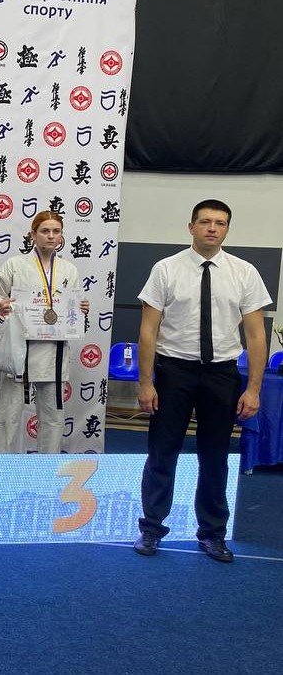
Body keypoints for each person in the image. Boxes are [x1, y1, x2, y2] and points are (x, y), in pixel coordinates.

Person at [134, 199, 270, 562]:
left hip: (221, 374)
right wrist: (145, 383)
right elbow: (148, 331)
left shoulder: (244, 272)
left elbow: (256, 335)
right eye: (206, 221)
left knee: (215, 457)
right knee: (162, 453)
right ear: (191, 227)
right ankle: (151, 529)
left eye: (220, 223)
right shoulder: (166, 269)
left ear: (227, 229)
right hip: (173, 372)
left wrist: (253, 389)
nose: (212, 228)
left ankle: (212, 534)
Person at [0, 211, 90, 453]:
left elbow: (71, 308)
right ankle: (0, 466)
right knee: (7, 415)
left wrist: (80, 308)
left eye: (56, 231)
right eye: (45, 231)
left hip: (54, 352)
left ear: (61, 235)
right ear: (33, 234)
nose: (51, 236)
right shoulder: (15, 265)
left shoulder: (69, 270)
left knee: (53, 418)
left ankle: (47, 467)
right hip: (18, 350)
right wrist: (0, 304)